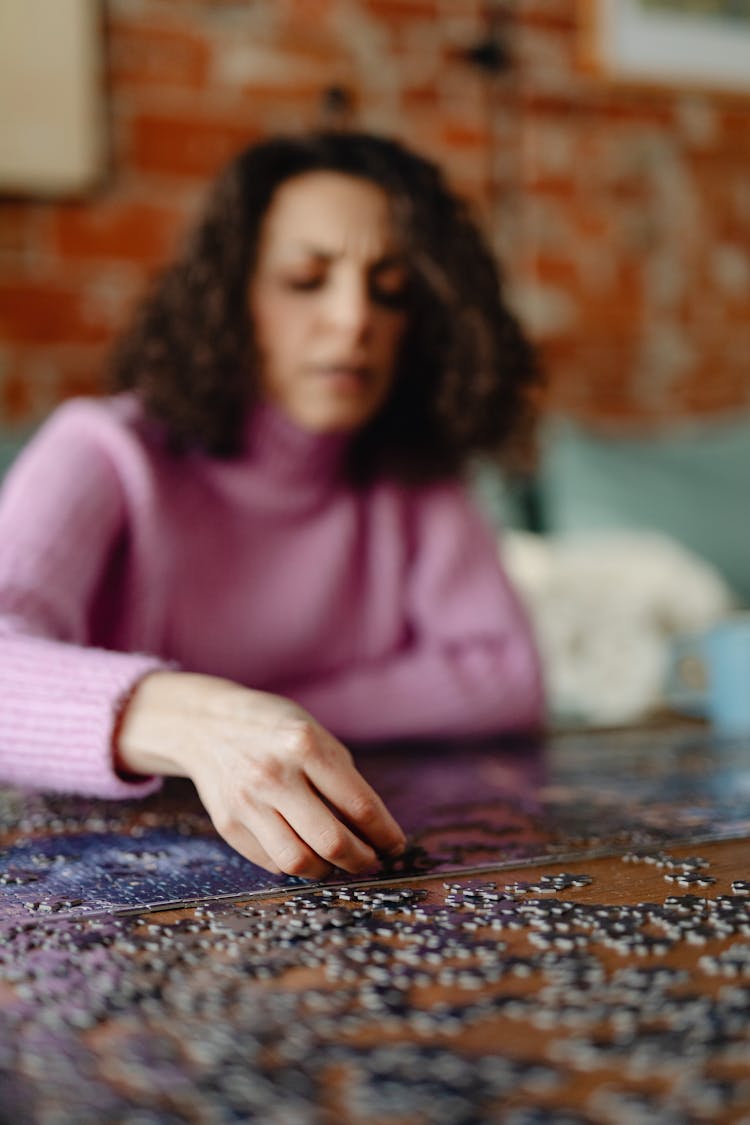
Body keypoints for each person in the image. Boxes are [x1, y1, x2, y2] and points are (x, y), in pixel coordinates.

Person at [0, 130, 544, 881]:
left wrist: (288, 722)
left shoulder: (413, 474)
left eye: (390, 289)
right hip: (91, 877)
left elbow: (507, 674)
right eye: (304, 278)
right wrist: (202, 723)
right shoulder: (102, 450)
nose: (355, 318)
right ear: (231, 298)